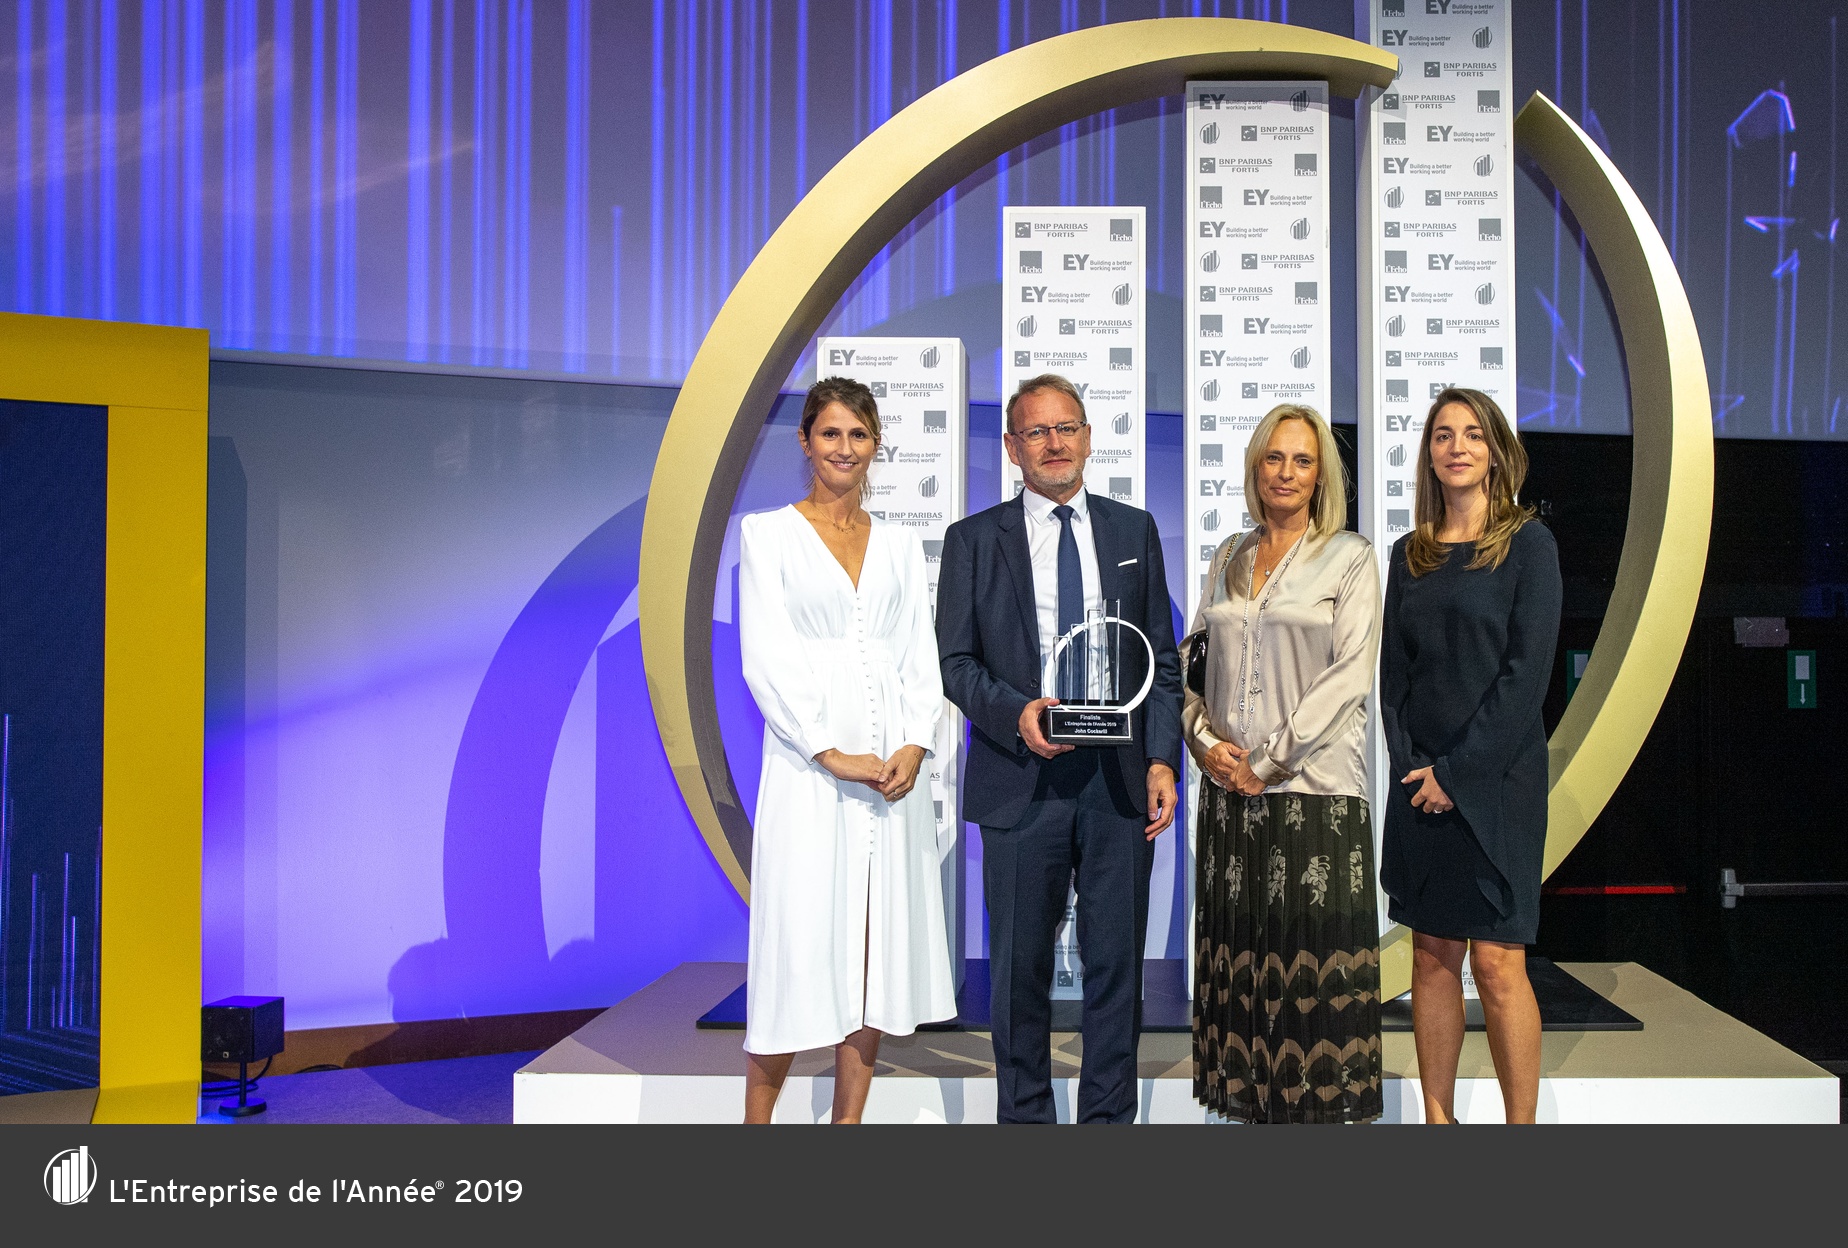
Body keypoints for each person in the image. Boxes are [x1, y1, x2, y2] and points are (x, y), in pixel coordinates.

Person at [937, 373, 1183, 1124]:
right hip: (1021, 781)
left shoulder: (1133, 530)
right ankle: (1026, 1126)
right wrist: (1017, 714)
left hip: (1118, 782)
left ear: (1088, 438)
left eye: (1066, 427)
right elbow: (956, 663)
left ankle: (1107, 1127)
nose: (1054, 443)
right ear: (1012, 448)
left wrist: (1162, 758)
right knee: (1019, 974)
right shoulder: (973, 540)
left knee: (1116, 972)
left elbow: (1162, 661)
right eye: (1036, 431)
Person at [736, 375, 957, 1124]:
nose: (845, 448)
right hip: (809, 774)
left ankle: (847, 1126)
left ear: (876, 444)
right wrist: (830, 753)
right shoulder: (768, 535)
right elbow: (765, 658)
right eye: (830, 433)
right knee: (794, 952)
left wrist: (915, 745)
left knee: (872, 957)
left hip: (892, 779)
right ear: (805, 442)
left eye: (859, 435)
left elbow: (918, 656)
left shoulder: (898, 543)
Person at [1183, 404, 1384, 1124]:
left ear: (1321, 474)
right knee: (1240, 988)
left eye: (1302, 460)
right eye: (1274, 457)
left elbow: (1349, 675)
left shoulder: (1350, 557)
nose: (1287, 473)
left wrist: (1268, 761)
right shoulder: (1228, 557)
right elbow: (1193, 661)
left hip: (1314, 798)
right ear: (1255, 467)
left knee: (1313, 993)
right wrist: (1202, 742)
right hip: (1230, 798)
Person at [1380, 387, 1562, 1125]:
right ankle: (1438, 1121)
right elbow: (1394, 680)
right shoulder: (1410, 554)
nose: (1457, 447)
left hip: (1498, 785)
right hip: (1420, 786)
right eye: (1443, 435)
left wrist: (1455, 775)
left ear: (1495, 451)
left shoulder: (1529, 545)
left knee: (1496, 962)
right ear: (1429, 454)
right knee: (1431, 957)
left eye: (1472, 434)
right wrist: (1414, 771)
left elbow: (1525, 679)